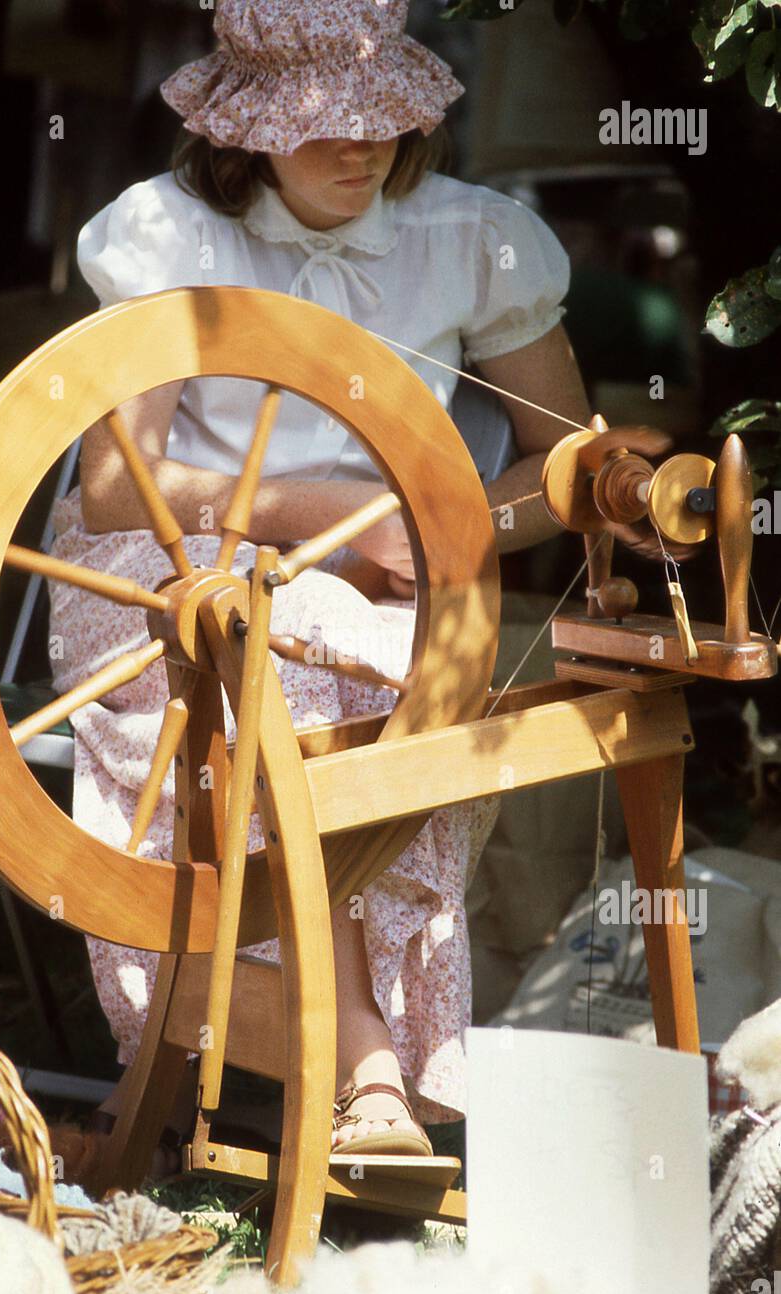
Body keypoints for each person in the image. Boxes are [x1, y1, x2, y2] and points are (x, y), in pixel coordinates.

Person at [48, 0, 596, 1160]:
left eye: (386, 119)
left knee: (372, 671)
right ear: (245, 128)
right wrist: (323, 526)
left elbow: (560, 469)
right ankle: (364, 1064)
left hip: (386, 583)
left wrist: (435, 533)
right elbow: (112, 486)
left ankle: (291, 1059)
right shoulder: (167, 235)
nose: (365, 149)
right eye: (327, 127)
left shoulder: (471, 236)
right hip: (172, 561)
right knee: (285, 644)